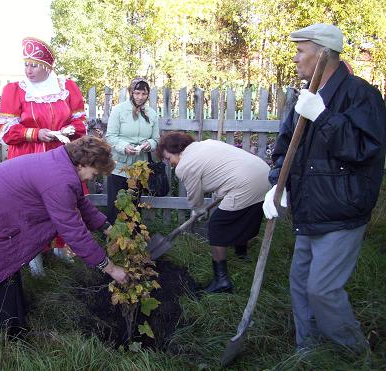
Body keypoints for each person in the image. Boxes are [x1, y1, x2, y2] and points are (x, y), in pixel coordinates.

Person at [263, 24, 386, 352]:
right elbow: (285, 146)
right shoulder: (304, 97)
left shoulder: (361, 95)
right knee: (300, 286)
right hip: (309, 210)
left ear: (323, 54)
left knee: (323, 290)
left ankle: (355, 352)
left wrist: (324, 117)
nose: (296, 56)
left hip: (341, 211)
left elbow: (365, 150)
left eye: (301, 50)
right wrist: (277, 185)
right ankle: (310, 350)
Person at [0, 136, 128, 336]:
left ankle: (0, 320)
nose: (92, 179)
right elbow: (74, 232)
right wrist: (111, 268)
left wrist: (109, 229)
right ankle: (4, 332)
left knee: (3, 266)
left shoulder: (61, 164)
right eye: (94, 174)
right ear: (84, 163)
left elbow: (79, 202)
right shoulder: (60, 179)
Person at [0, 37, 88, 275]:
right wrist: (36, 133)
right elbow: (6, 132)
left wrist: (68, 130)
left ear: (47, 66)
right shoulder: (14, 90)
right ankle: (33, 254)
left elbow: (79, 122)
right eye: (26, 64)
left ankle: (61, 247)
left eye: (33, 65)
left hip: (62, 157)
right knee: (31, 208)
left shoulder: (67, 88)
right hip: (27, 160)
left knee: (64, 203)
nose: (28, 70)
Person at [157, 132, 271, 293]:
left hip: (245, 184)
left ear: (176, 149)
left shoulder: (185, 165)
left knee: (217, 226)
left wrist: (198, 208)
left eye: (169, 159)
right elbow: (223, 169)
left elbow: (194, 194)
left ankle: (222, 281)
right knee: (245, 214)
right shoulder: (206, 144)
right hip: (265, 176)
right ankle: (241, 255)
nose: (171, 163)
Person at [105, 77, 160, 223]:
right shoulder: (119, 110)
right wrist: (124, 147)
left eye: (144, 93)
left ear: (148, 94)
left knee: (135, 204)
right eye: (137, 93)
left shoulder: (152, 113)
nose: (140, 97)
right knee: (116, 203)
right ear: (131, 92)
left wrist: (149, 144)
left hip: (139, 168)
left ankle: (134, 237)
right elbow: (110, 136)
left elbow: (156, 139)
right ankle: (113, 238)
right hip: (119, 166)